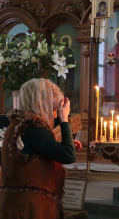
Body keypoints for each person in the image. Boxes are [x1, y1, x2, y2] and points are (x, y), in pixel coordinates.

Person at [0, 78, 82, 219]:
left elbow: (36, 152)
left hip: (17, 206)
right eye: (54, 109)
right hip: (31, 208)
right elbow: (68, 156)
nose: (55, 114)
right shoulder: (32, 127)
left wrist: (56, 144)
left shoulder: (19, 125)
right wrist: (64, 120)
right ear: (41, 105)